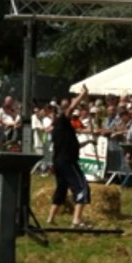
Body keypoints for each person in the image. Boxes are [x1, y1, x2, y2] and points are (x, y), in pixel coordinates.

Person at [49, 86, 92, 228]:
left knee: (61, 189)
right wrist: (82, 94)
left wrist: (89, 142)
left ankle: (50, 218)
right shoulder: (62, 121)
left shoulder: (60, 129)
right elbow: (70, 109)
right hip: (68, 162)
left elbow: (73, 146)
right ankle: (76, 220)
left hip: (59, 162)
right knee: (82, 187)